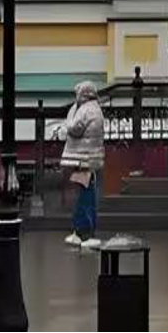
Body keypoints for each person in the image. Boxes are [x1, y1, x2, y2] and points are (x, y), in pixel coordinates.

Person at [60, 79, 105, 250]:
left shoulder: (86, 110)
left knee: (85, 195)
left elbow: (74, 128)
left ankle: (84, 232)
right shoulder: (95, 108)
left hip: (84, 160)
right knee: (85, 193)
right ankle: (81, 231)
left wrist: (70, 115)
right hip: (88, 159)